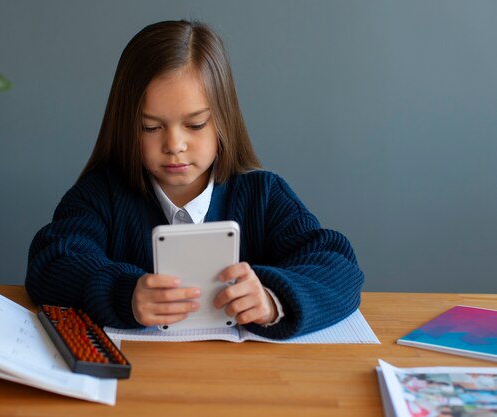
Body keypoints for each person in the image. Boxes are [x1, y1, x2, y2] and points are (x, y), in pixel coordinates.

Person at [25, 20, 364, 340]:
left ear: (223, 121)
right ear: (127, 126)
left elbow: (338, 266)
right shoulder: (99, 195)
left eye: (196, 124)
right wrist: (125, 294)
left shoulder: (264, 195)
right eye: (151, 127)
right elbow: (52, 263)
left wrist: (272, 298)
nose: (174, 145)